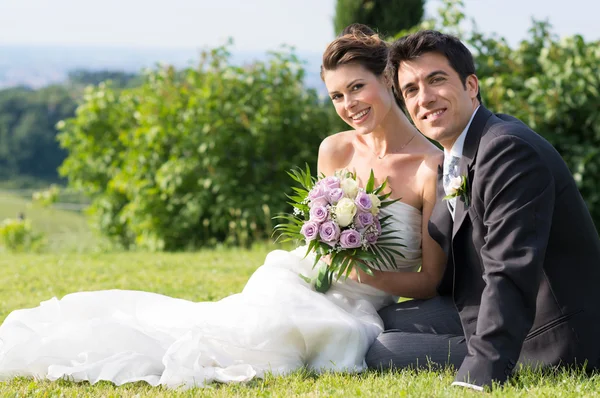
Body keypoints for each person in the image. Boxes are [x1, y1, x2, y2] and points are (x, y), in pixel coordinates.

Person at [0, 25, 459, 389]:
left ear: (386, 78)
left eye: (357, 87)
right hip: (293, 278)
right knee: (232, 331)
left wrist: (355, 271)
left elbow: (429, 282)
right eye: (337, 95)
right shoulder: (335, 150)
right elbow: (315, 238)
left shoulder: (429, 170)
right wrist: (322, 253)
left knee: (272, 343)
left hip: (355, 304)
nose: (348, 105)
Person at [372, 29, 600, 390]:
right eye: (411, 90)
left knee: (379, 349)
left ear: (471, 85)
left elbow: (511, 270)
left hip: (545, 330)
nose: (425, 98)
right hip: (473, 305)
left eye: (436, 80)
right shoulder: (456, 153)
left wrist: (480, 374)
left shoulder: (507, 149)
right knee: (378, 321)